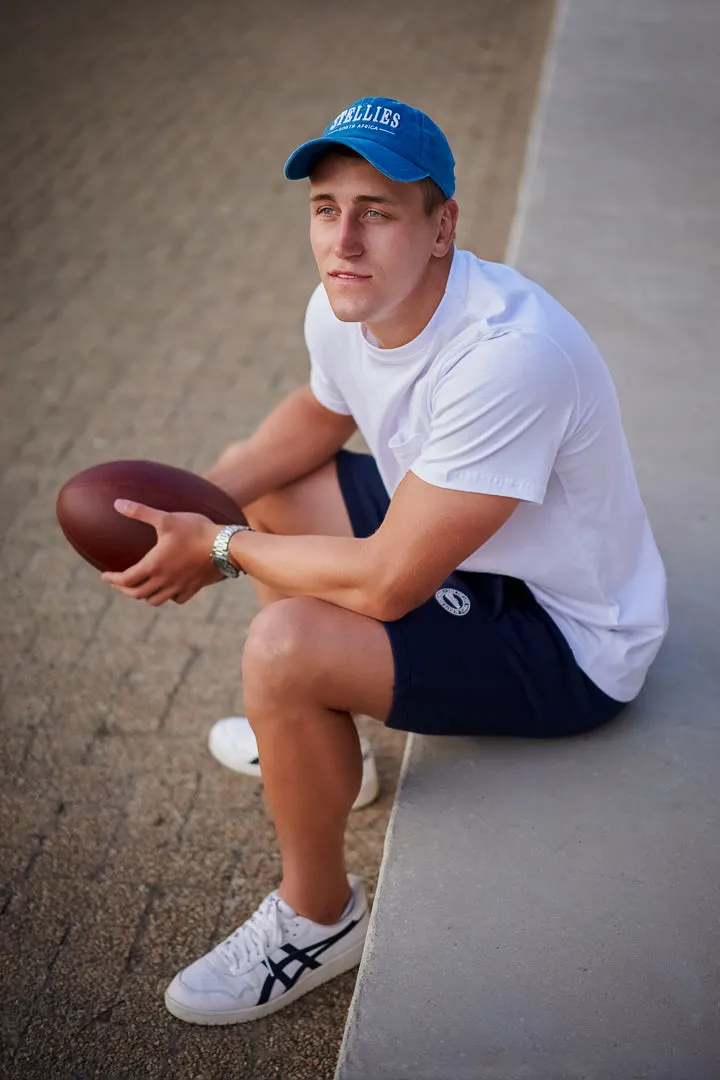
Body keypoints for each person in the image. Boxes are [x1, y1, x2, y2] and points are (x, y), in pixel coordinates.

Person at [102, 96, 668, 1025]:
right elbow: (319, 417)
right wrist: (192, 501)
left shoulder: (508, 355)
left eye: (378, 211)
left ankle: (317, 918)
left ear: (443, 227)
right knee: (275, 491)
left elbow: (392, 580)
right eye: (326, 208)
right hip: (468, 545)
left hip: (568, 639)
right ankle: (328, 754)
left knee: (284, 648)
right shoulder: (345, 301)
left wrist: (217, 547)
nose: (344, 240)